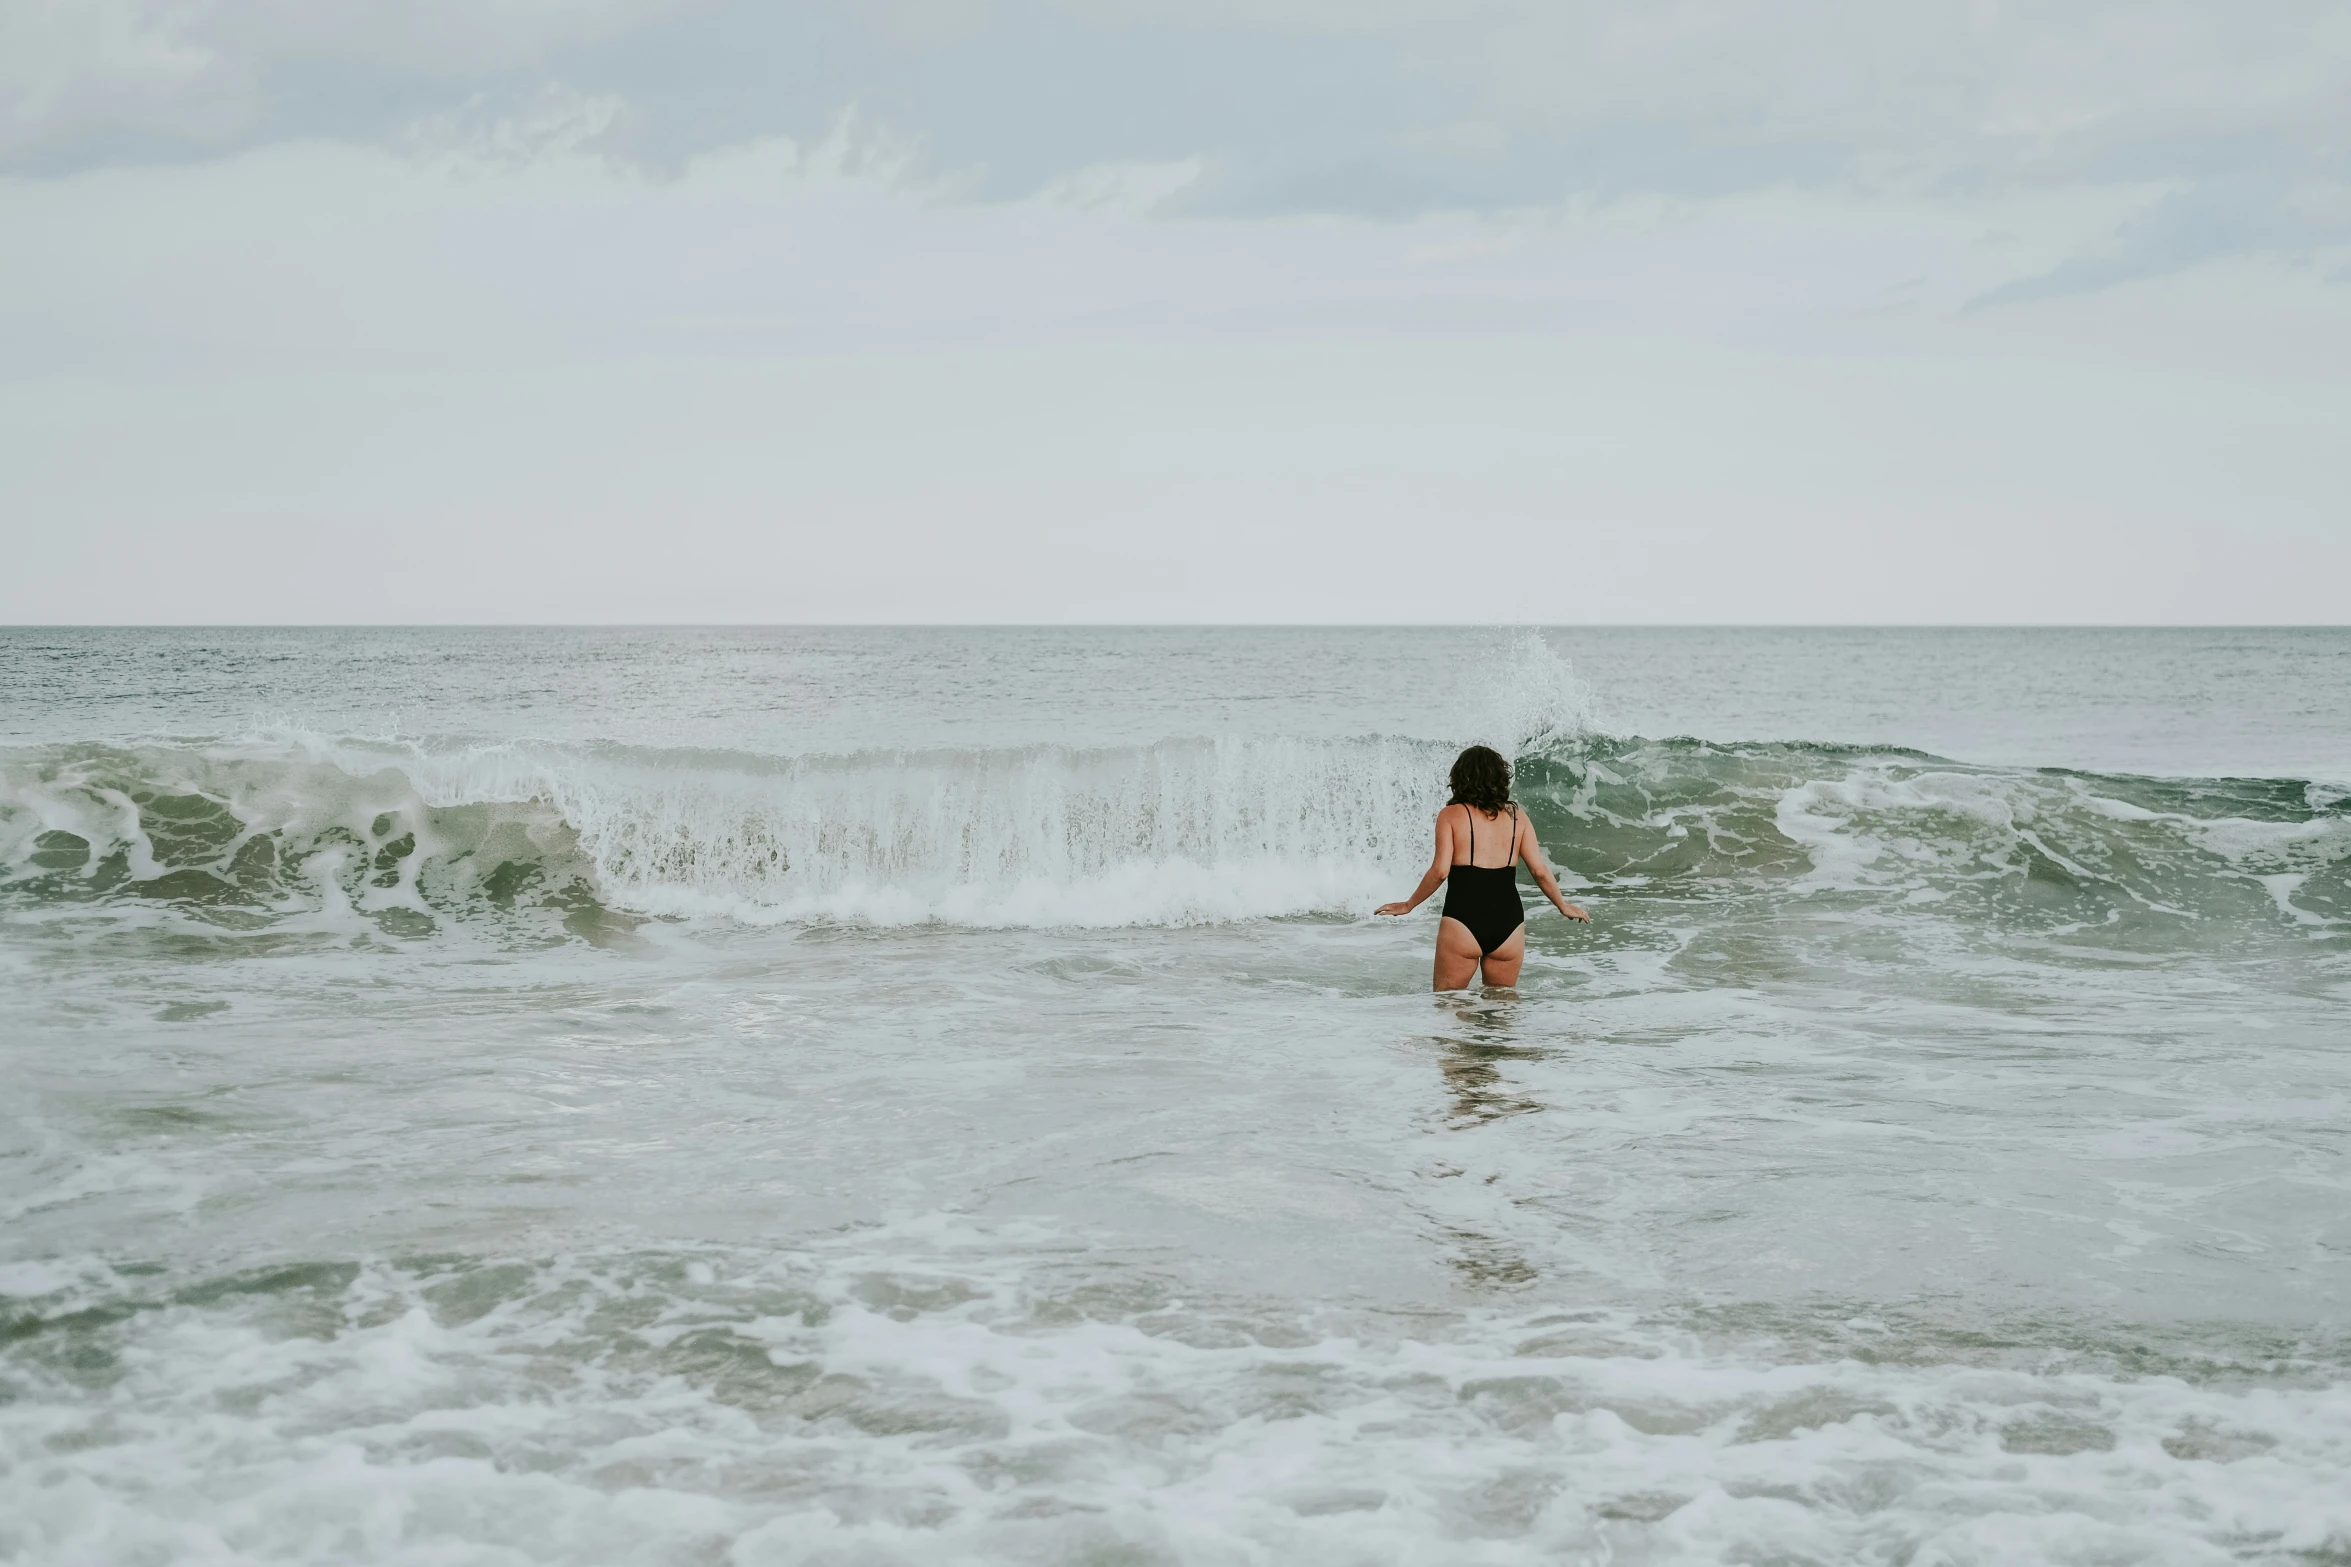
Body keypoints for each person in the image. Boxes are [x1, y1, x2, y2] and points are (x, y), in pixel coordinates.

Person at [1377, 744, 1589, 990]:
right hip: (1508, 924)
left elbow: (1440, 871)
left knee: (1450, 1011)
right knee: (1502, 1015)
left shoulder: (1451, 815)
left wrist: (1408, 904)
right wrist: (1562, 906)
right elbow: (1539, 871)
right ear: (1499, 778)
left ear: (1460, 778)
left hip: (1463, 920)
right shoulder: (1517, 816)